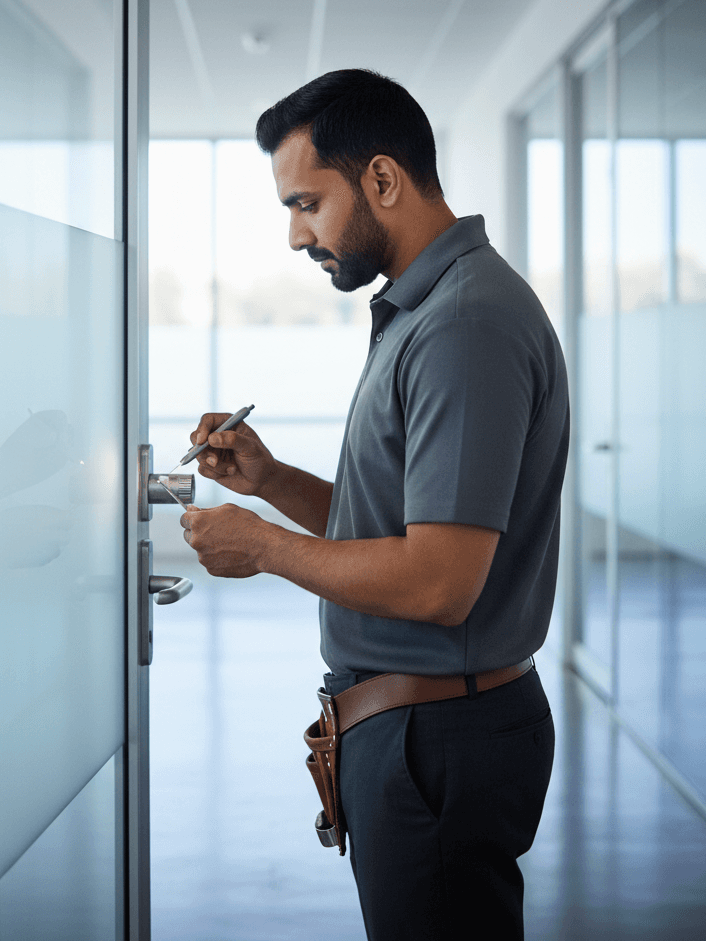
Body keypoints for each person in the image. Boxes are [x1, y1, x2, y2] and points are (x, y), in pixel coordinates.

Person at [179, 69, 569, 940]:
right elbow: (398, 533)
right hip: (421, 727)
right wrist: (271, 481)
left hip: (437, 739)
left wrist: (264, 548)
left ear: (383, 180)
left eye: (307, 204)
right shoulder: (423, 312)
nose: (294, 236)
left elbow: (438, 582)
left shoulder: (464, 323)